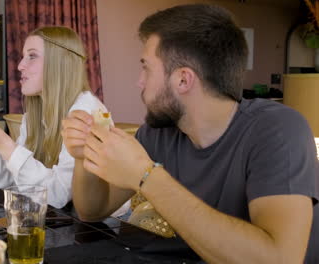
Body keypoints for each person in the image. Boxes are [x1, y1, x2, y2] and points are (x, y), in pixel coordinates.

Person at [62, 4, 318, 263]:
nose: (139, 81)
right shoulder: (158, 132)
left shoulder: (279, 129)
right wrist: (84, 156)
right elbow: (92, 211)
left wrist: (146, 176)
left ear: (183, 80)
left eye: (146, 68)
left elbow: (280, 258)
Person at [0, 26, 108, 208]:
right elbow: (4, 180)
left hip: (107, 228)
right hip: (61, 220)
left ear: (60, 62)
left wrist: (4, 144)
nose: (20, 65)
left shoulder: (85, 113)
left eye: (32, 56)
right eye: (23, 56)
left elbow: (57, 195)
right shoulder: (34, 115)